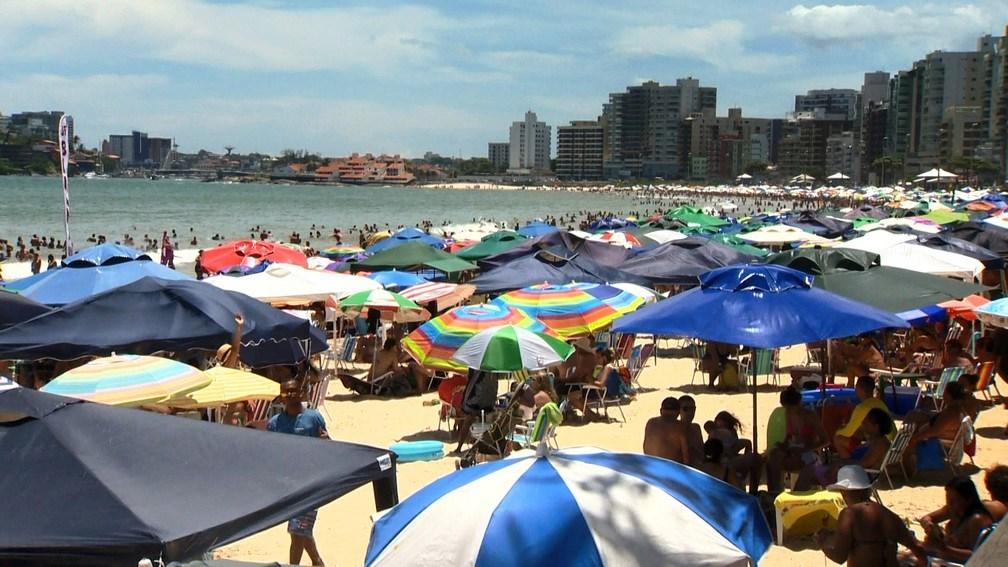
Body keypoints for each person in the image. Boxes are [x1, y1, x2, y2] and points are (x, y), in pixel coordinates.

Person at [267, 380, 328, 566]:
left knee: (297, 530)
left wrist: (327, 441)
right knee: (300, 529)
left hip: (311, 483)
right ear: (281, 395)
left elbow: (329, 447)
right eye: (287, 391)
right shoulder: (274, 423)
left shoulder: (314, 418)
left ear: (301, 392)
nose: (291, 394)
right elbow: (269, 453)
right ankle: (317, 562)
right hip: (286, 484)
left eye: (294, 390)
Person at [818, 465, 926, 566]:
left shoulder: (849, 514)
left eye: (843, 492)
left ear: (846, 493)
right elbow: (918, 550)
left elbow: (839, 557)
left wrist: (823, 542)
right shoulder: (887, 514)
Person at [766, 386, 828, 493]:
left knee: (808, 467)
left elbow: (825, 440)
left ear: (798, 404)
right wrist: (783, 445)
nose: (789, 411)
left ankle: (797, 493)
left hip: (810, 451)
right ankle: (775, 492)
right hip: (793, 449)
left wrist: (805, 449)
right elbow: (789, 436)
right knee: (772, 457)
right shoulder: (788, 413)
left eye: (791, 408)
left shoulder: (810, 416)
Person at [919, 476, 995, 563]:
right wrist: (929, 526)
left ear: (968, 500)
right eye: (947, 499)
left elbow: (977, 554)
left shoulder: (977, 520)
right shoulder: (951, 510)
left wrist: (944, 549)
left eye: (953, 500)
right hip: (943, 559)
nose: (949, 503)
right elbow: (927, 518)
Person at [834, 375, 891, 458]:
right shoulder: (880, 403)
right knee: (859, 432)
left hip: (874, 447)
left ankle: (847, 464)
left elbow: (847, 432)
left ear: (859, 388)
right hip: (887, 441)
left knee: (838, 439)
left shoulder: (862, 407)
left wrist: (838, 430)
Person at [643, 397, 690, 464]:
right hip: (670, 469)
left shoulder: (650, 422)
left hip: (650, 465)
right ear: (678, 413)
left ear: (661, 411)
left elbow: (645, 448)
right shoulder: (680, 427)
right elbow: (686, 456)